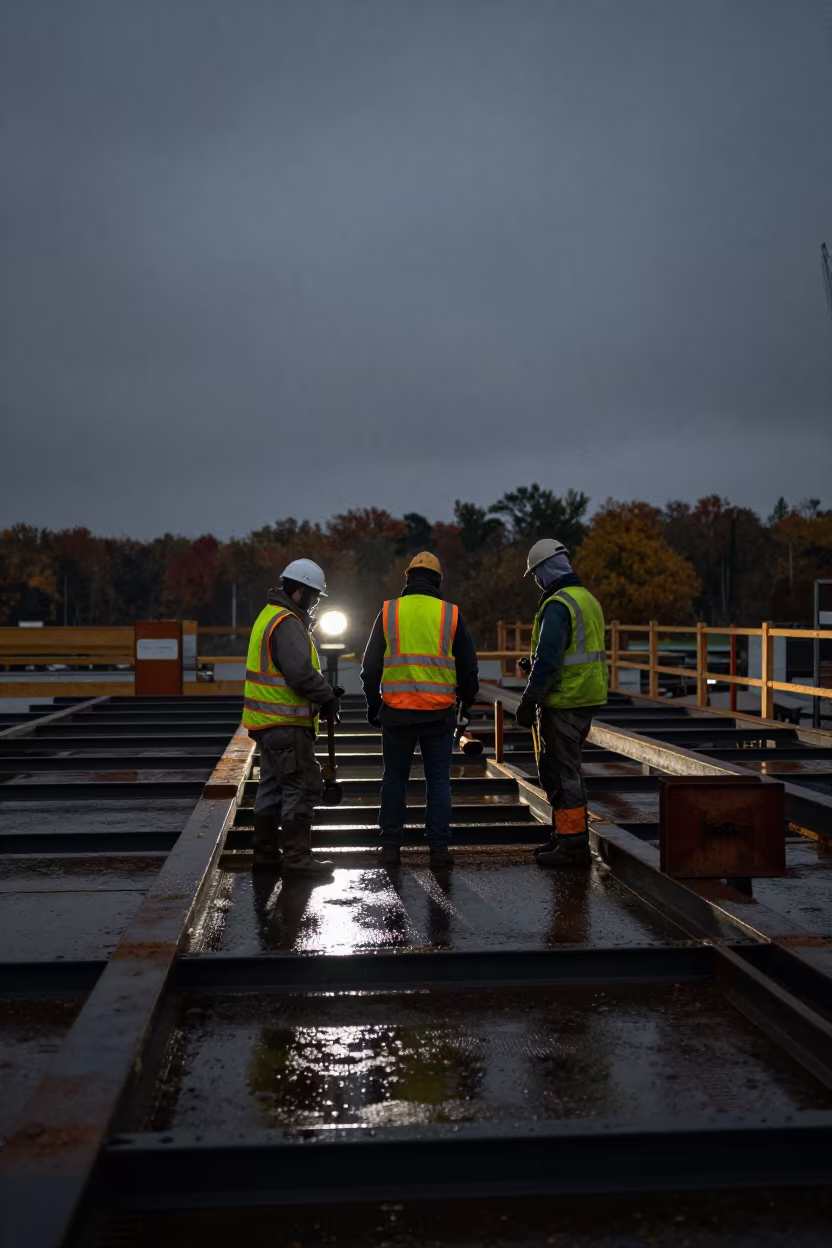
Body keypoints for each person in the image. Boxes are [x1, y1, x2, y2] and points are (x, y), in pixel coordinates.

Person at [361, 552, 479, 868]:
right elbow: (468, 667)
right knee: (438, 781)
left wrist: (374, 706)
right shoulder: (450, 614)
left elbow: (370, 666)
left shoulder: (389, 612)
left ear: (408, 579)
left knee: (395, 779)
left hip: (397, 713)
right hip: (439, 714)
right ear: (437, 581)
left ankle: (390, 848)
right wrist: (466, 704)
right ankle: (439, 850)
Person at [242, 558, 342, 875]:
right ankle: (297, 858)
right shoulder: (286, 623)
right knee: (302, 786)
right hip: (287, 725)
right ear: (299, 592)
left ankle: (266, 855)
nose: (313, 605)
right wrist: (326, 695)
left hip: (268, 725)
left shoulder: (268, 617)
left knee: (271, 789)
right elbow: (299, 673)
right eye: (313, 597)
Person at [515, 539, 607, 869]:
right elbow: (569, 653)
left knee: (561, 772)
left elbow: (552, 662)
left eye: (536, 575)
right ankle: (565, 836)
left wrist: (528, 701)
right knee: (563, 770)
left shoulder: (558, 605)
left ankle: (573, 847)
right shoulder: (587, 600)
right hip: (584, 697)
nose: (537, 582)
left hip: (564, 700)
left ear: (544, 571)